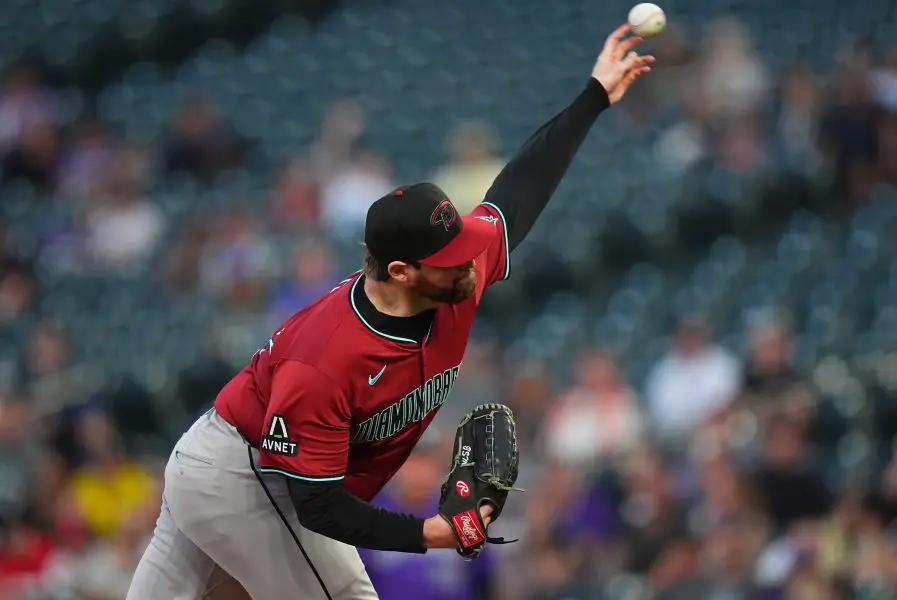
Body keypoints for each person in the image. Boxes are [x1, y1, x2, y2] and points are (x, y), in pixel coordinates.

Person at [126, 23, 654, 600]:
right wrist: (433, 532)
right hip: (246, 477)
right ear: (400, 271)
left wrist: (594, 95)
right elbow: (319, 505)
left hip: (243, 469)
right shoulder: (327, 360)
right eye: (449, 259)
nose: (470, 264)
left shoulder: (453, 276)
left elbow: (519, 191)